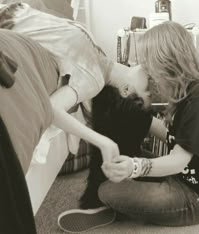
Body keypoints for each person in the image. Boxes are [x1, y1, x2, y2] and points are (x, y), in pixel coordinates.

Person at [96, 21, 199, 226]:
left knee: (107, 191)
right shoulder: (184, 92)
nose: (147, 72)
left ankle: (134, 206)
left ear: (165, 62)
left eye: (149, 65)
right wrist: (133, 112)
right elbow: (170, 134)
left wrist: (135, 167)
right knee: (126, 163)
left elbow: (178, 160)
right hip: (182, 176)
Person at [0, 2, 153, 163]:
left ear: (126, 90)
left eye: (148, 89)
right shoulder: (99, 57)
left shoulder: (94, 80)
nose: (152, 80)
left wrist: (102, 142)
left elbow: (51, 108)